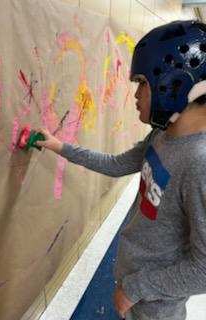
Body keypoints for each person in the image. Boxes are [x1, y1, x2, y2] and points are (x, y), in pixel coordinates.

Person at [35, 20, 206, 319]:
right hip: (133, 283)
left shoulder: (199, 164)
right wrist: (59, 146)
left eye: (142, 83)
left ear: (175, 84)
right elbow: (117, 165)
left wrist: (136, 288)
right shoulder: (163, 135)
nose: (137, 95)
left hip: (157, 306)